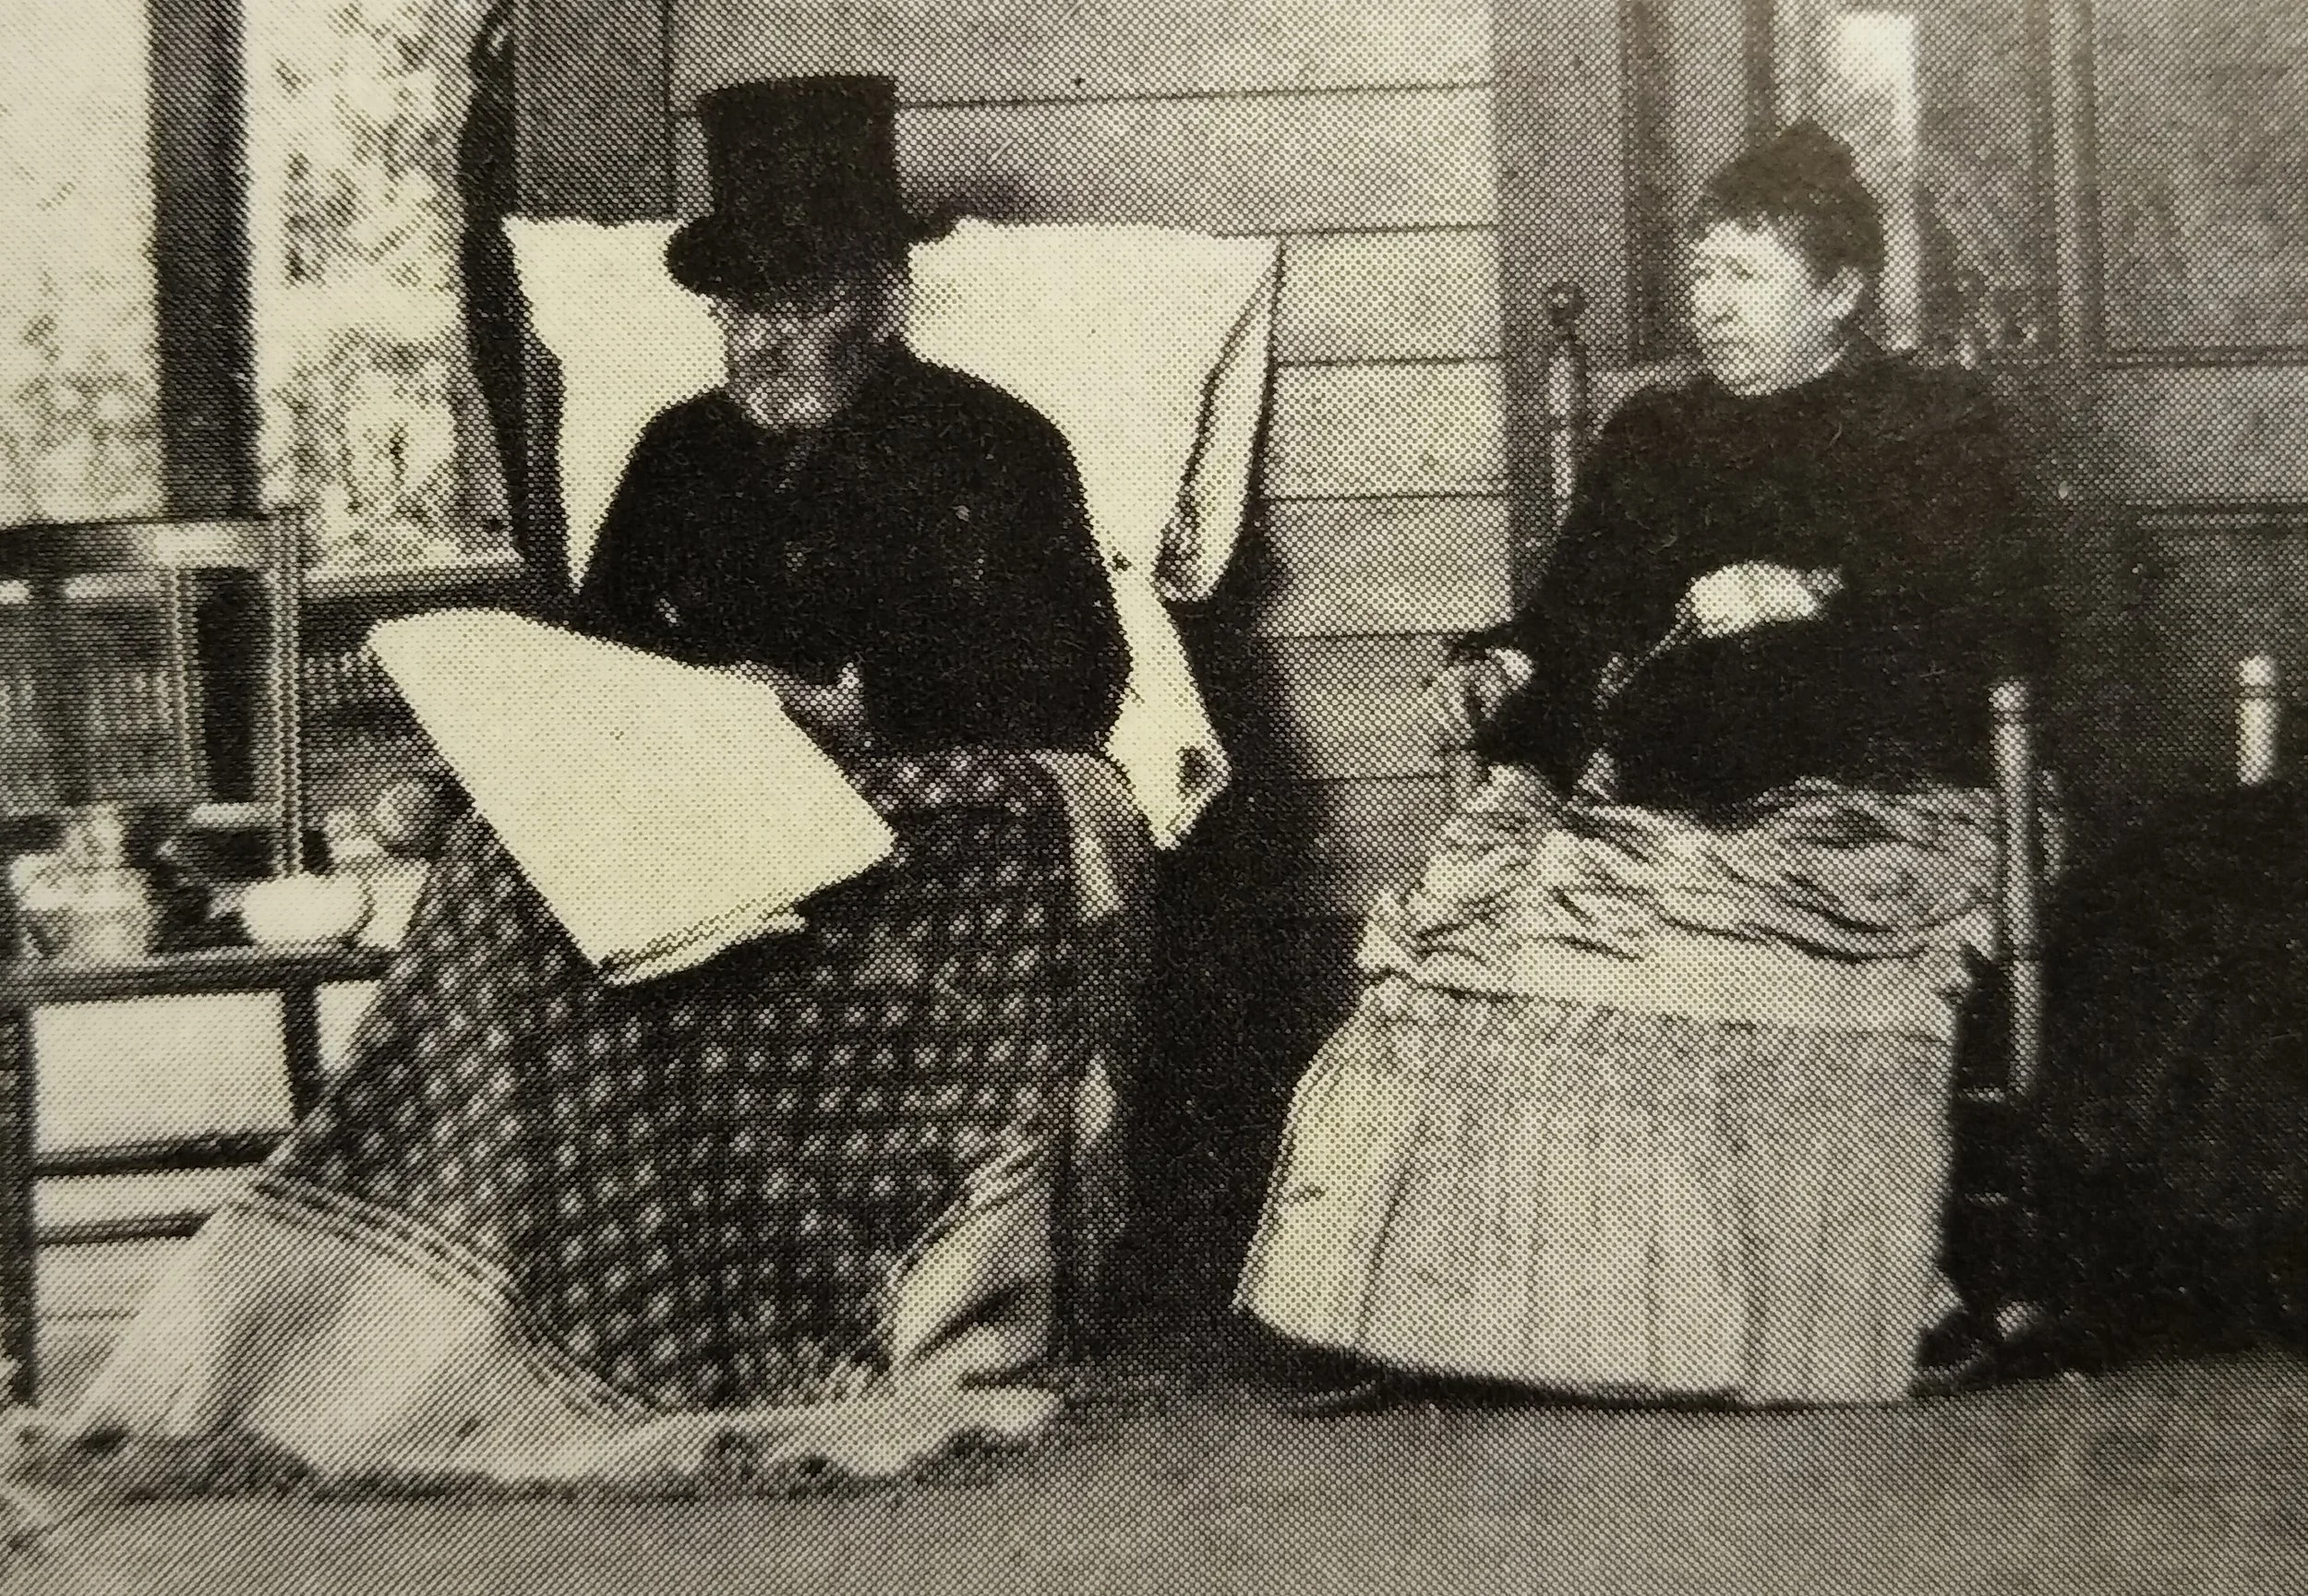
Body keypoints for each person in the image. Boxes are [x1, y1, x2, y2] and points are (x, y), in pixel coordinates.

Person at [54, 77, 1136, 1486]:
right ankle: (460, 1301)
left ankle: (874, 1304)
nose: (760, 340)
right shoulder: (680, 451)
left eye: (798, 302)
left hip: (915, 793)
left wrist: (853, 709)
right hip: (701, 804)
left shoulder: (1000, 443)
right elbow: (598, 665)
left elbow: (1078, 683)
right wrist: (473, 770)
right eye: (736, 310)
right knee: (505, 867)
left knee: (985, 832)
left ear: (885, 297)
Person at [1236, 122, 2054, 1410]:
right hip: (1653, 792)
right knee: (1474, 936)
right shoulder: (1656, 433)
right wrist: (1505, 669)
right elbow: (1571, 625)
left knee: (1701, 944)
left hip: (1879, 796)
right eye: (1702, 272)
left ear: (1841, 291)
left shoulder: (1933, 425)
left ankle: (1866, 1303)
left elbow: (2002, 624)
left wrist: (1816, 591)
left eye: (1746, 276)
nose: (1709, 303)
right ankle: (1413, 1309)